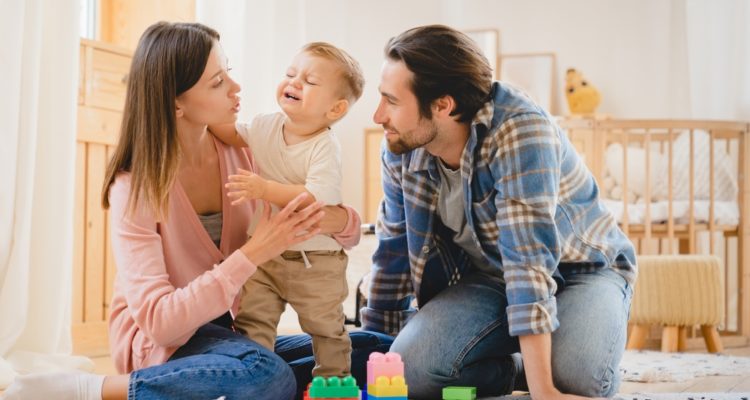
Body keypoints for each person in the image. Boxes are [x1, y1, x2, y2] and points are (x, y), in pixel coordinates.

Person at [1, 22, 390, 400]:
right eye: (218, 82)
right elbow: (161, 324)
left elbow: (349, 229)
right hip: (164, 344)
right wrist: (256, 252)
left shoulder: (243, 152)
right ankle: (94, 390)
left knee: (373, 347)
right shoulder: (136, 187)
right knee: (265, 375)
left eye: (229, 73)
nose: (236, 88)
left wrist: (333, 218)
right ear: (176, 100)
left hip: (231, 332)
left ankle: (232, 382)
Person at [362, 24, 637, 400]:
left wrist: (546, 393)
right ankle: (516, 367)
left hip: (582, 270)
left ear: (443, 105)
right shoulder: (402, 145)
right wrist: (379, 363)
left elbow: (528, 264)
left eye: (391, 101)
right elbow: (393, 248)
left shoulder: (520, 130)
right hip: (490, 276)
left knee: (577, 381)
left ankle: (551, 360)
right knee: (409, 371)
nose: (378, 115)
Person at [209, 42, 364, 378]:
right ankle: (256, 377)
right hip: (266, 257)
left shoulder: (324, 146)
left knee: (325, 327)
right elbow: (229, 133)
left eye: (309, 81)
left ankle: (333, 381)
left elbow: (314, 199)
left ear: (335, 109)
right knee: (253, 321)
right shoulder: (266, 125)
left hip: (315, 262)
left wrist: (265, 189)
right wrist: (202, 113)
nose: (294, 82)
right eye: (291, 74)